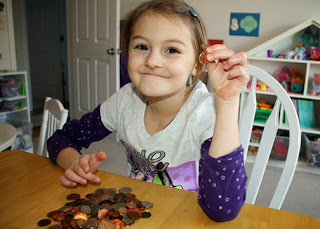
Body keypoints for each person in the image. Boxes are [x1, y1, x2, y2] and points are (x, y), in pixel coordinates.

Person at [48, 0, 249, 222]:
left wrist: (227, 104)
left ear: (198, 64)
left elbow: (222, 209)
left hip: (187, 219)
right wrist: (74, 162)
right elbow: (62, 137)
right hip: (138, 214)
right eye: (142, 47)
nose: (152, 61)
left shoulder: (204, 114)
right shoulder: (125, 100)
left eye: (172, 50)